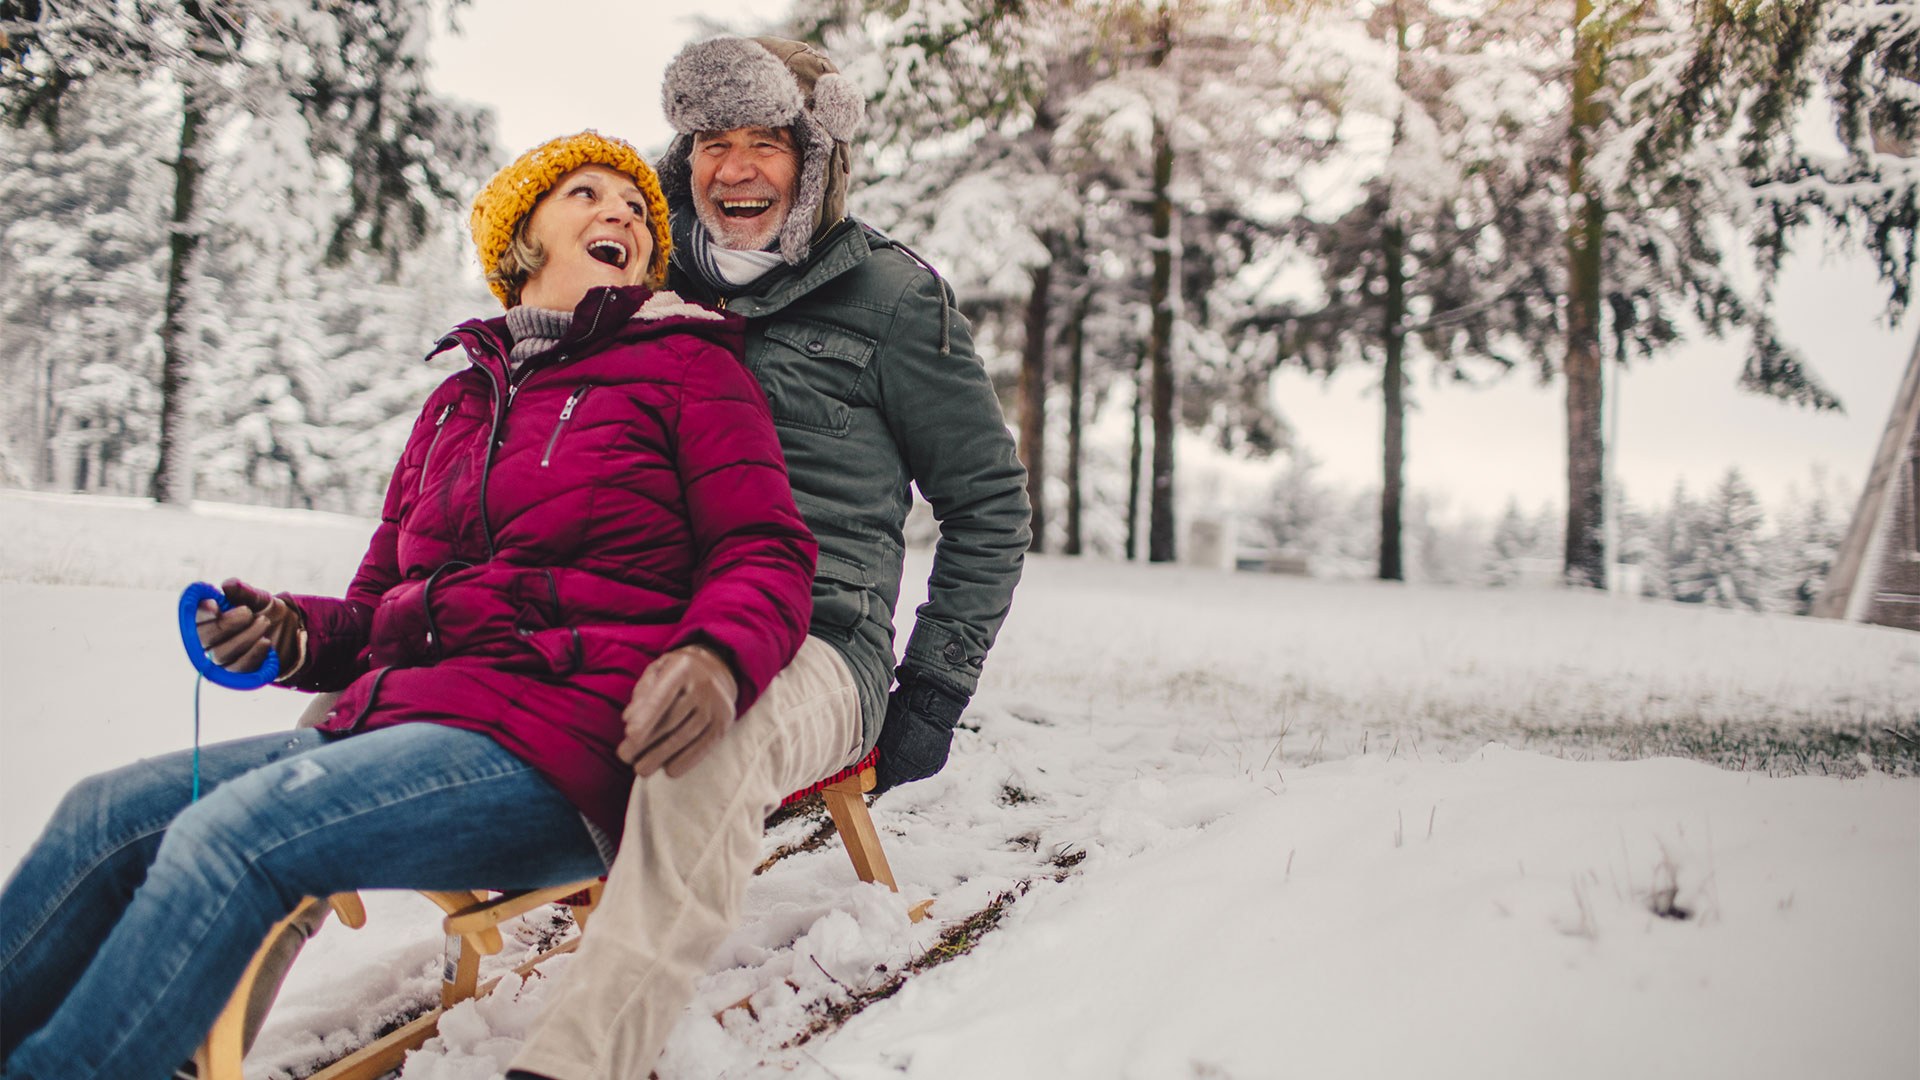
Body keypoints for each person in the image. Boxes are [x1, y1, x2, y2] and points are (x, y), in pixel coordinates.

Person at [0, 131, 819, 1080]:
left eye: (637, 209)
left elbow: (766, 548)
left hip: (569, 737)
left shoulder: (686, 367)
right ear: (521, 240)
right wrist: (290, 633)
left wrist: (715, 657)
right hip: (410, 721)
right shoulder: (457, 405)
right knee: (105, 815)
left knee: (240, 833)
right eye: (588, 195)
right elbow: (377, 610)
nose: (624, 216)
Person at [505, 36, 1031, 1080]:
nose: (734, 169)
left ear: (817, 158)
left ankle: (576, 1060)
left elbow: (988, 505)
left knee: (704, 734)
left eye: (766, 143)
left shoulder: (893, 299)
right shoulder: (639, 275)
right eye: (712, 142)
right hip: (639, 614)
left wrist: (932, 687)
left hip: (814, 643)